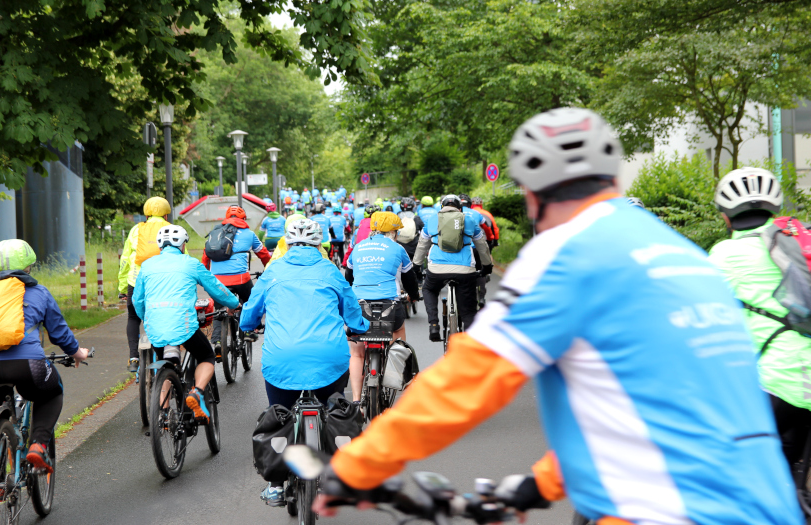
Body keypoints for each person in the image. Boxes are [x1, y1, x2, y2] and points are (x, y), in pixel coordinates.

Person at [315, 108, 802, 525]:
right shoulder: (686, 257)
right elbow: (663, 410)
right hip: (771, 502)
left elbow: (469, 380)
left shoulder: (568, 252)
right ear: (612, 179)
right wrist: (541, 485)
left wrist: (355, 467)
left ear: (531, 194)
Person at [239, 219, 369, 506]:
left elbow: (249, 316)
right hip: (329, 358)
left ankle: (275, 484)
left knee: (279, 413)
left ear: (288, 242)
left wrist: (248, 326)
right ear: (318, 243)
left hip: (282, 359)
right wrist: (360, 326)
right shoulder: (330, 271)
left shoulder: (273, 273)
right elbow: (352, 313)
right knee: (335, 408)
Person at [708, 167, 811, 467]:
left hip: (778, 382)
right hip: (801, 383)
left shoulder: (725, 255)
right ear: (774, 209)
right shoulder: (799, 246)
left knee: (720, 460)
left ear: (725, 217)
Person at [0, 240, 90, 473]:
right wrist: (78, 353)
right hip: (27, 365)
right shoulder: (38, 292)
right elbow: (59, 334)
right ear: (28, 267)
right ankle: (38, 445)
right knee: (52, 393)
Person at [133, 225, 240, 424]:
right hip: (183, 326)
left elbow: (137, 301)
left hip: (155, 327)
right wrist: (233, 303)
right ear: (182, 245)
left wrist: (147, 318)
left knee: (164, 362)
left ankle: (164, 416)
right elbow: (216, 288)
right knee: (206, 355)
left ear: (160, 246)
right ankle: (197, 393)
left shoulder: (147, 266)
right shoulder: (190, 263)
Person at [345, 212, 420, 402]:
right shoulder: (397, 249)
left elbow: (349, 277)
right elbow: (409, 279)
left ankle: (356, 401)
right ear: (393, 232)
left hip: (359, 305)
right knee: (398, 333)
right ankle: (399, 373)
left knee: (357, 353)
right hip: (390, 306)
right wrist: (414, 296)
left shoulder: (358, 247)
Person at [413, 194, 492, 341]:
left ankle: (434, 324)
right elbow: (482, 245)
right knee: (468, 311)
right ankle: (469, 341)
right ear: (460, 208)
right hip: (465, 270)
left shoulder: (432, 220)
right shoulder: (469, 219)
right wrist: (487, 265)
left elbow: (422, 244)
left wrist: (417, 265)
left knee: (429, 289)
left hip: (437, 269)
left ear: (442, 207)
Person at [202, 205, 271, 353]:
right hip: (240, 279)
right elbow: (264, 254)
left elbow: (205, 258)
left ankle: (218, 341)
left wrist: (207, 277)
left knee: (219, 309)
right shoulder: (249, 234)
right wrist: (269, 269)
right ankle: (248, 331)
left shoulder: (215, 233)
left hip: (217, 281)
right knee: (249, 302)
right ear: (243, 219)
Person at [118, 197, 173, 373]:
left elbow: (125, 261)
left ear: (146, 213)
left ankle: (133, 357)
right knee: (166, 313)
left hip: (136, 281)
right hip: (162, 283)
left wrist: (122, 288)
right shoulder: (172, 230)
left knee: (133, 318)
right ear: (166, 213)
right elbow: (182, 257)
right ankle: (167, 354)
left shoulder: (136, 230)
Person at [470, 196, 500, 308]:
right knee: (485, 261)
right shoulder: (487, 214)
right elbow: (494, 228)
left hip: (471, 243)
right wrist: (494, 240)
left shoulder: (469, 213)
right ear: (481, 204)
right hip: (486, 240)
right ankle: (482, 294)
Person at [396, 196, 424, 264]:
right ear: (412, 207)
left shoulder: (396, 217)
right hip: (413, 249)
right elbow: (424, 230)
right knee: (419, 261)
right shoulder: (416, 218)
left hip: (399, 248)